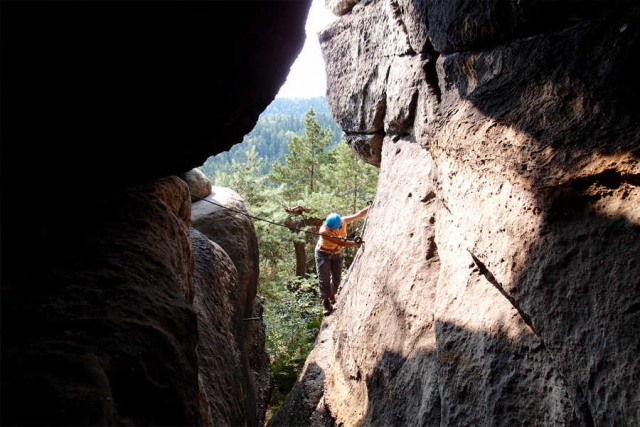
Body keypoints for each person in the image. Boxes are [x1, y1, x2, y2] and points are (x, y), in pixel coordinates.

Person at [315, 205, 370, 315]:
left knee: (336, 280)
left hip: (337, 253)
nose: (334, 231)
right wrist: (355, 243)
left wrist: (371, 207)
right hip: (323, 254)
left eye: (335, 229)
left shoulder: (343, 221)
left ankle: (332, 293)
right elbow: (341, 242)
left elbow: (359, 215)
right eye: (332, 229)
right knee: (324, 279)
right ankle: (326, 302)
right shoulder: (324, 231)